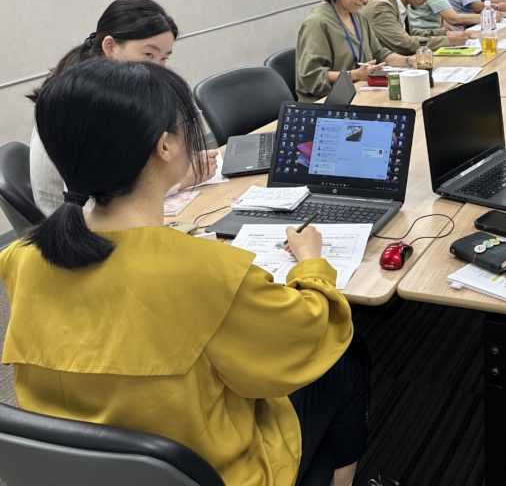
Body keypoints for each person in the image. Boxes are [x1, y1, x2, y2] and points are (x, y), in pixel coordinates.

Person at [0, 59, 370, 486]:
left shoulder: (20, 257)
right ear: (165, 147)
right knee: (347, 357)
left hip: (77, 469)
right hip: (208, 469)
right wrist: (311, 264)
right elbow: (308, 334)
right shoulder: (207, 273)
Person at [26, 0, 217, 215]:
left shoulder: (115, 93)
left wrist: (177, 168)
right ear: (110, 46)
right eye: (148, 54)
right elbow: (94, 204)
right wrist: (178, 181)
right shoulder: (81, 104)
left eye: (164, 58)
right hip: (80, 224)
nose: (158, 69)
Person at [295, 0, 416, 102]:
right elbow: (310, 77)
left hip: (360, 96)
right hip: (326, 105)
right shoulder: (317, 22)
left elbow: (379, 54)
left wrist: (410, 61)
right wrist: (354, 75)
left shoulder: (358, 18)